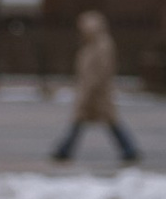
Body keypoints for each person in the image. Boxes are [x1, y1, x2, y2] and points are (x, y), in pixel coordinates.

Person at [52, 9, 140, 166]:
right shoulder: (93, 44)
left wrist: (90, 91)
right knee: (89, 122)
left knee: (95, 121)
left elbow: (100, 71)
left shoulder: (102, 45)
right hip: (93, 91)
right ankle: (64, 150)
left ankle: (64, 150)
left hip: (97, 93)